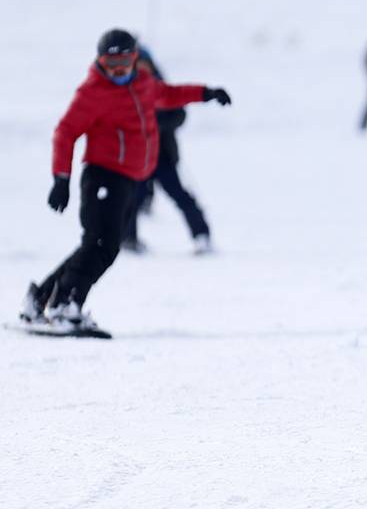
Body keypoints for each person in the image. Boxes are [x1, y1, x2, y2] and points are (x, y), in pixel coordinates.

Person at [19, 29, 231, 331]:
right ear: (100, 62)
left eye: (125, 62)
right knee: (102, 247)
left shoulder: (143, 83)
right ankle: (66, 305)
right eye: (111, 64)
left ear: (136, 58)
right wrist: (61, 178)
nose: (118, 70)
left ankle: (40, 300)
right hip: (104, 177)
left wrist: (206, 93)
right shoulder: (92, 92)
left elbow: (169, 95)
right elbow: (65, 132)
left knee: (95, 245)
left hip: (129, 180)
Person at [122, 47, 214, 255]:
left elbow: (179, 115)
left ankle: (202, 235)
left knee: (180, 195)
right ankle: (128, 238)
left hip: (163, 158)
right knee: (131, 199)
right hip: (138, 160)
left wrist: (156, 122)